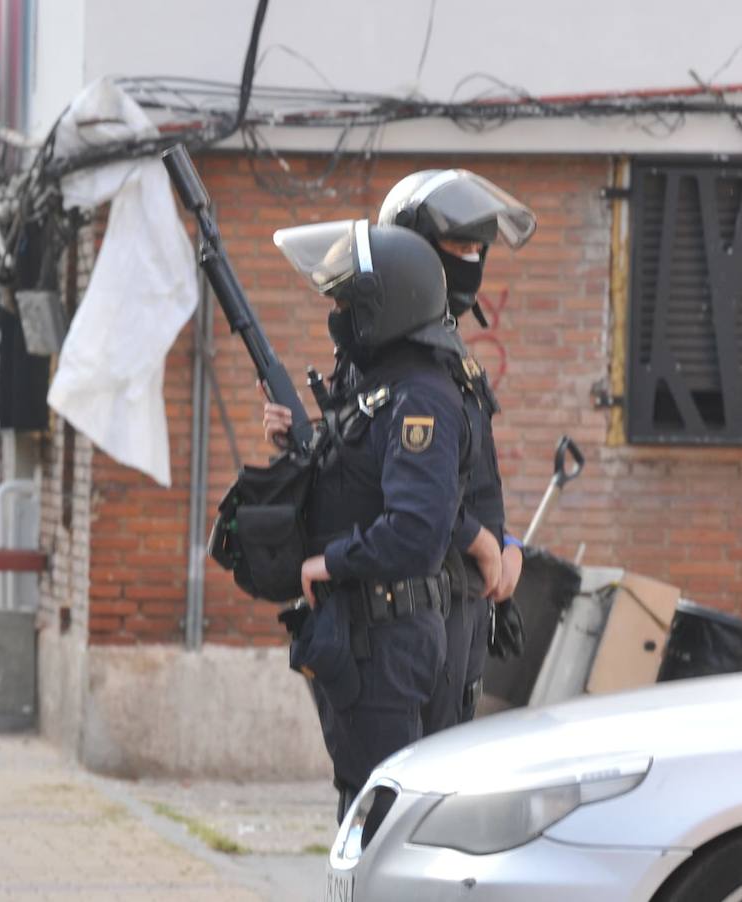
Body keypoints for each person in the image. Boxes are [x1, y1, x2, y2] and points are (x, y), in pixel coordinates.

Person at [268, 219, 474, 818]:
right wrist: (296, 443)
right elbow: (353, 488)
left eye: (349, 305)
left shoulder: (421, 399)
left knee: (382, 818)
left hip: (390, 638)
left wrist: (331, 560)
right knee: (360, 804)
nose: (339, 317)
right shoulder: (379, 389)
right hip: (363, 635)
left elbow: (416, 531)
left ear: (388, 308)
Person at [377, 169, 536, 732]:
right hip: (414, 617)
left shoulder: (449, 354)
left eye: (479, 248)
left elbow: (471, 477)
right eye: (460, 246)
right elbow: (397, 481)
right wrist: (476, 539)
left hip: (462, 611)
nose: (472, 260)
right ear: (414, 252)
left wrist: (507, 543)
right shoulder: (394, 359)